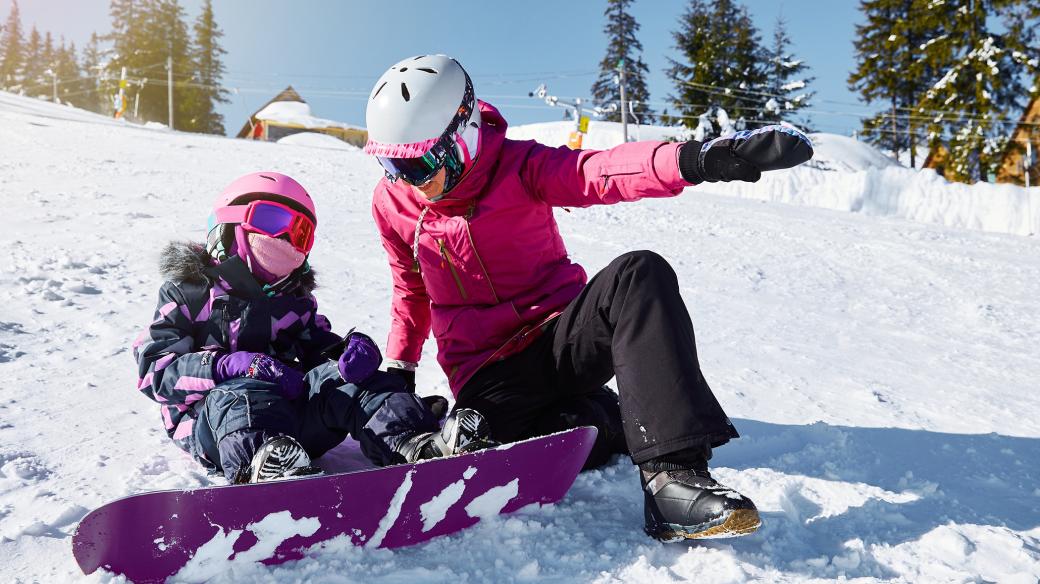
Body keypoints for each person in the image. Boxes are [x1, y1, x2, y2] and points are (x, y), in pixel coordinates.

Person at [364, 55, 813, 540]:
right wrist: (400, 366)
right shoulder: (392, 204)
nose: (410, 180)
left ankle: (674, 480)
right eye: (394, 164)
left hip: (561, 337)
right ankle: (592, 420)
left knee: (640, 273)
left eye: (423, 162)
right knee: (542, 430)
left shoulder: (518, 165)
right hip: (488, 373)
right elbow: (410, 288)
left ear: (465, 133)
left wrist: (697, 158)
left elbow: (598, 172)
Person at [132, 171, 493, 484]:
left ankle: (417, 443)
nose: (285, 239)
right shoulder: (189, 292)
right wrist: (226, 366)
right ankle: (267, 467)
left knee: (349, 381)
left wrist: (351, 351)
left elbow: (319, 348)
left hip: (294, 420)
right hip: (216, 427)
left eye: (300, 233)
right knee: (240, 393)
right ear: (229, 224)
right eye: (273, 221)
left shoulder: (295, 299)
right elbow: (155, 373)